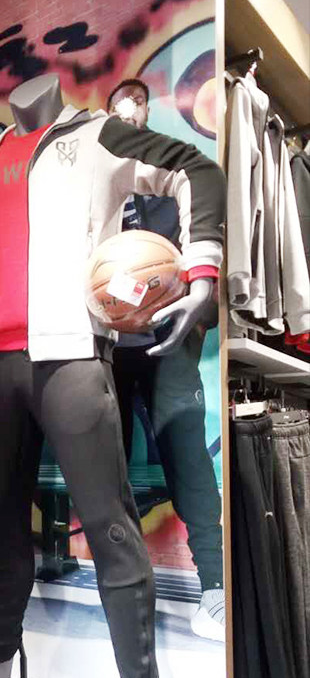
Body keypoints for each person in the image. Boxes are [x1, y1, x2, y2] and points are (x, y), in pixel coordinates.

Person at [0, 72, 226, 678]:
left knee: (111, 529)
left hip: (70, 355)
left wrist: (201, 269)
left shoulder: (97, 134)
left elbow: (195, 167)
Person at [107, 78, 225, 642]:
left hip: (166, 340)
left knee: (188, 457)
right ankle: (125, 584)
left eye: (139, 107)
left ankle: (214, 587)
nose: (131, 116)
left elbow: (186, 257)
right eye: (122, 108)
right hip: (108, 345)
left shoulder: (173, 178)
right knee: (108, 465)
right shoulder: (100, 185)